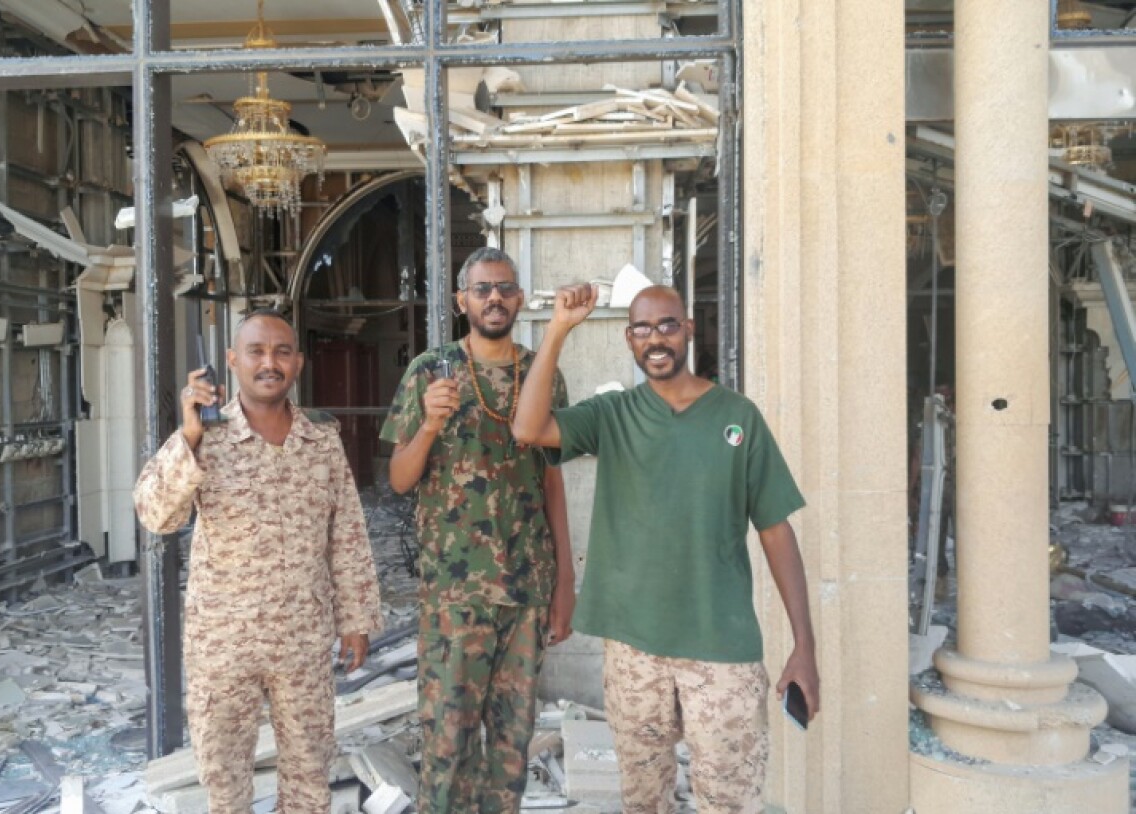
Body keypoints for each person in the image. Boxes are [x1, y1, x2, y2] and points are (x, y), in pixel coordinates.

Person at [512, 283, 820, 814]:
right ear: (630, 339)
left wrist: (804, 646)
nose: (655, 339)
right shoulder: (613, 415)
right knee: (643, 800)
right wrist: (559, 328)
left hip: (721, 650)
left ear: (688, 330)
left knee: (730, 800)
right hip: (636, 652)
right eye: (642, 328)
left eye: (667, 325)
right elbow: (527, 426)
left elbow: (776, 530)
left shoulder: (737, 417)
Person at [133, 310, 381, 814]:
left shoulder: (321, 439)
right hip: (225, 645)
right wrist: (189, 436)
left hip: (303, 641)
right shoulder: (207, 436)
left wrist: (356, 621)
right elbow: (156, 515)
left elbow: (348, 534)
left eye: (282, 352)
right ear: (232, 361)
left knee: (310, 778)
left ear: (299, 363)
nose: (270, 363)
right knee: (225, 785)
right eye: (256, 351)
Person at [381, 246, 574, 813]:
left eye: (505, 288)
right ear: (462, 299)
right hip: (454, 597)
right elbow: (398, 479)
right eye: (483, 288)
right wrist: (431, 424)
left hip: (525, 591)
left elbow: (554, 486)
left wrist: (565, 584)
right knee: (448, 743)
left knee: (510, 748)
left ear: (518, 299)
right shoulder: (430, 370)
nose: (495, 297)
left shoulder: (543, 375)